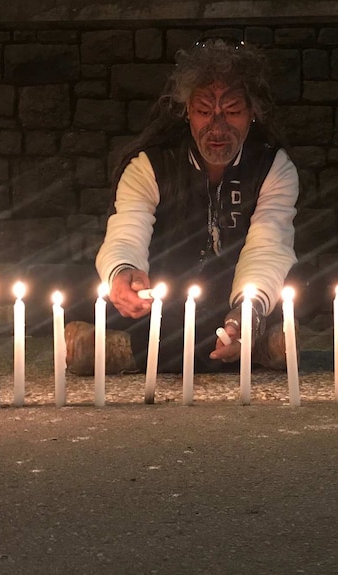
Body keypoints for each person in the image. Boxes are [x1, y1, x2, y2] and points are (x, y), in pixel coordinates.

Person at [66, 36, 299, 374]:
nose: (217, 127)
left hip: (234, 303)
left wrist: (245, 314)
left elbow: (269, 247)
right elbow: (126, 230)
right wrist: (123, 273)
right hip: (166, 304)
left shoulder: (273, 168)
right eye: (205, 111)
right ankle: (257, 350)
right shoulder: (151, 165)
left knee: (284, 301)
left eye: (232, 111)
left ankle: (123, 352)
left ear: (252, 113)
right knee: (141, 313)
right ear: (188, 111)